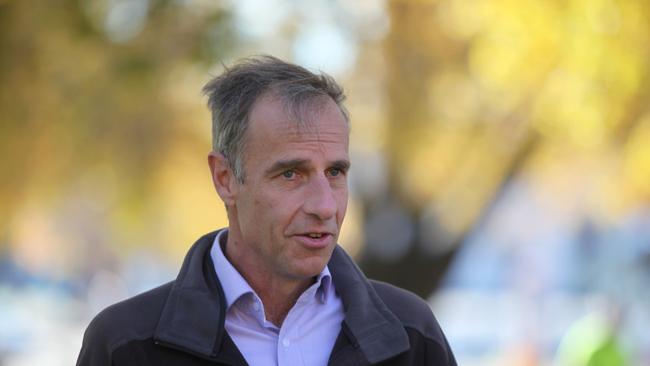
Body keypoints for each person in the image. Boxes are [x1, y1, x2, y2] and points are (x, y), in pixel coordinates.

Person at [76, 56, 457, 366]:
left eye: (336, 172)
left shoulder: (410, 336)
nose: (325, 205)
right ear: (225, 177)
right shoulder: (125, 346)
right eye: (291, 173)